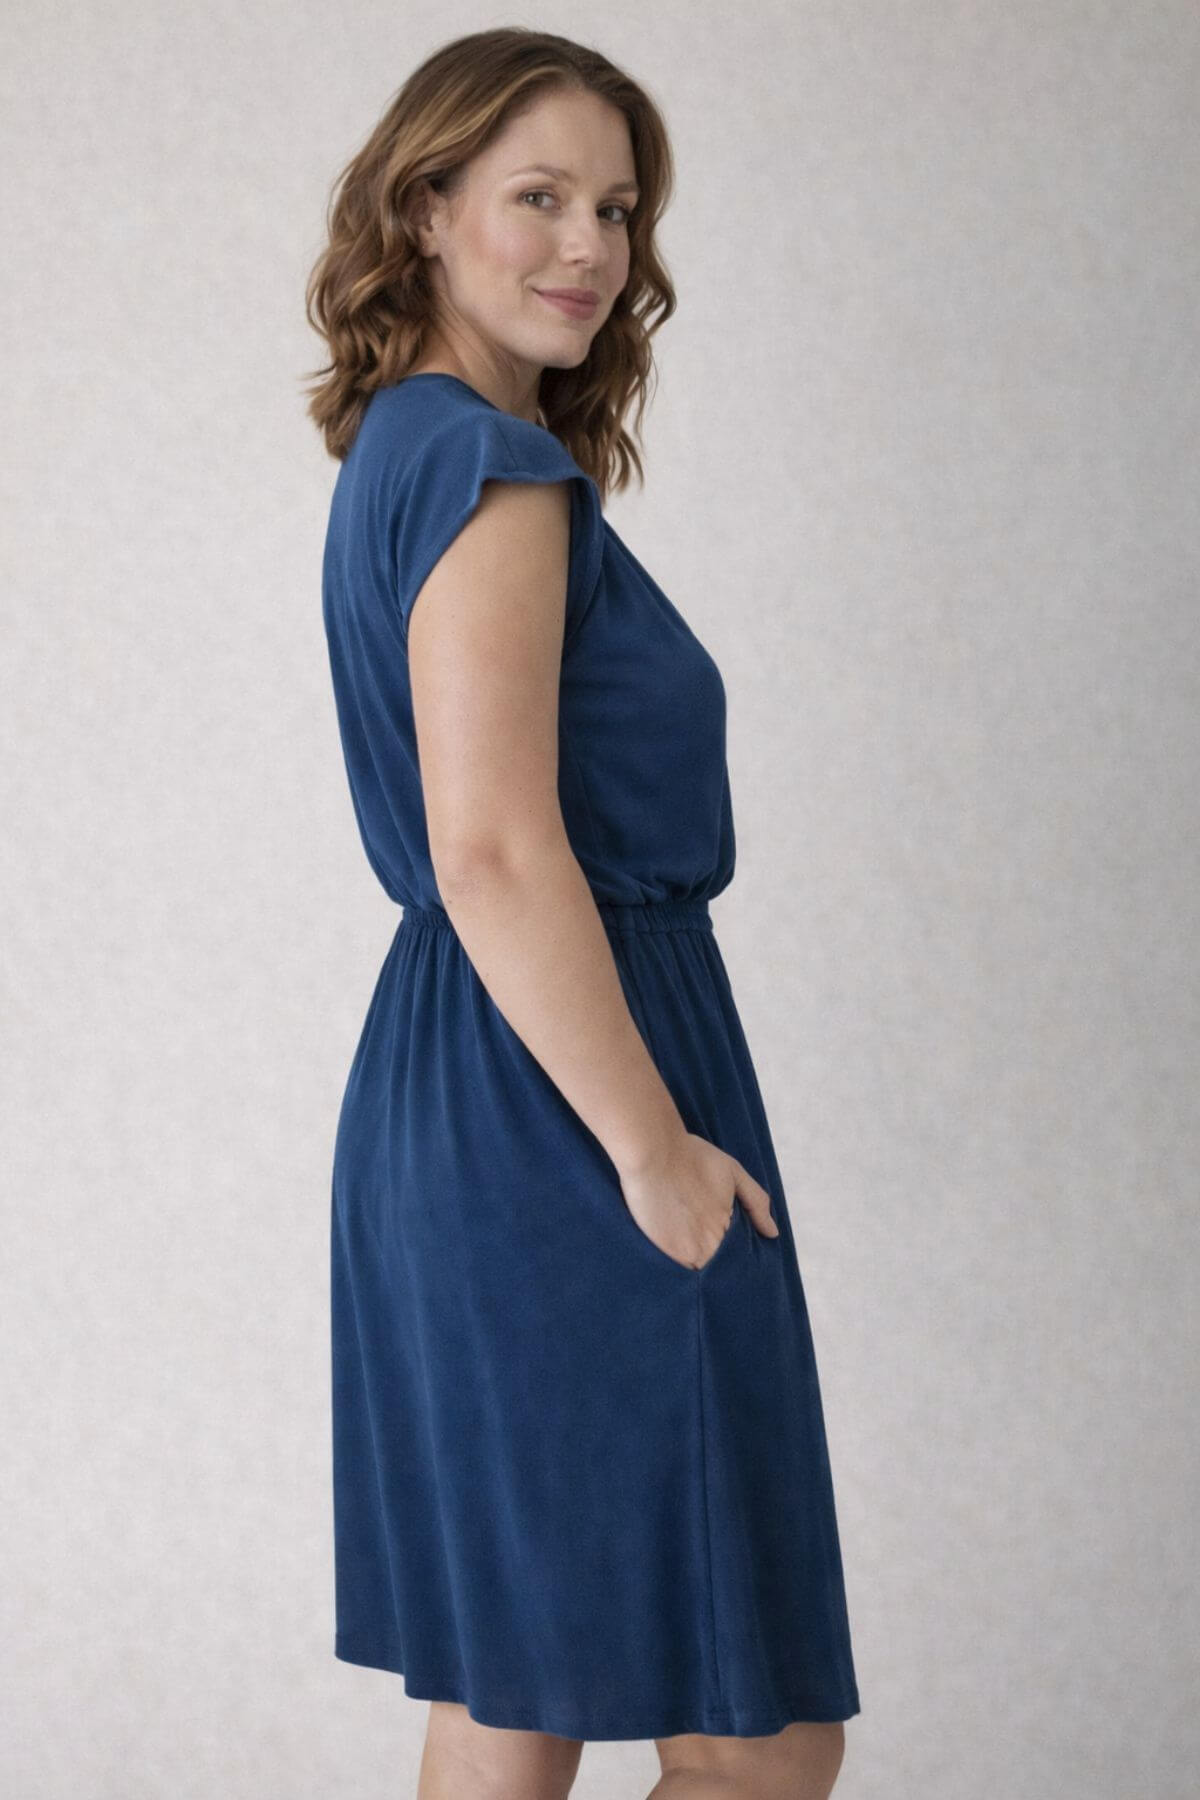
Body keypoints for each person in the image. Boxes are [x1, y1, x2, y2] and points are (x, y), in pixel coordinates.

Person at [304, 27, 860, 1800]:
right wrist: (653, 1149)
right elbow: (492, 850)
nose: (591, 247)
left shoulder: (408, 448)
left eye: (616, 206)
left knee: (520, 1676)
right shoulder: (492, 471)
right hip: (567, 1092)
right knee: (755, 1738)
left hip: (474, 1075)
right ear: (428, 210)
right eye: (536, 196)